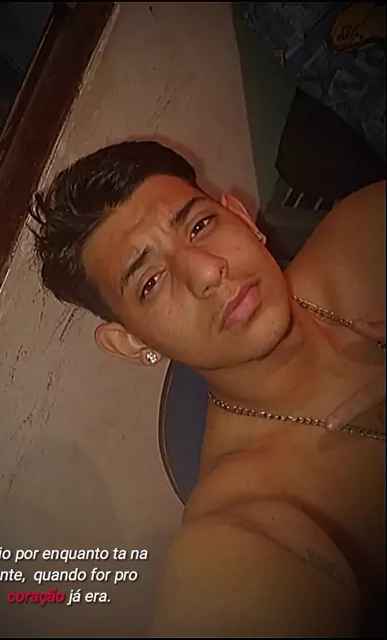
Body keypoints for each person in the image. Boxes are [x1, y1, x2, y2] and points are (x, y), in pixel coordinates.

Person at [31, 140, 385, 637]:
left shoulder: (366, 234)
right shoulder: (248, 515)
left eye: (199, 226)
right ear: (132, 343)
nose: (206, 271)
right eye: (150, 282)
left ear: (240, 216)